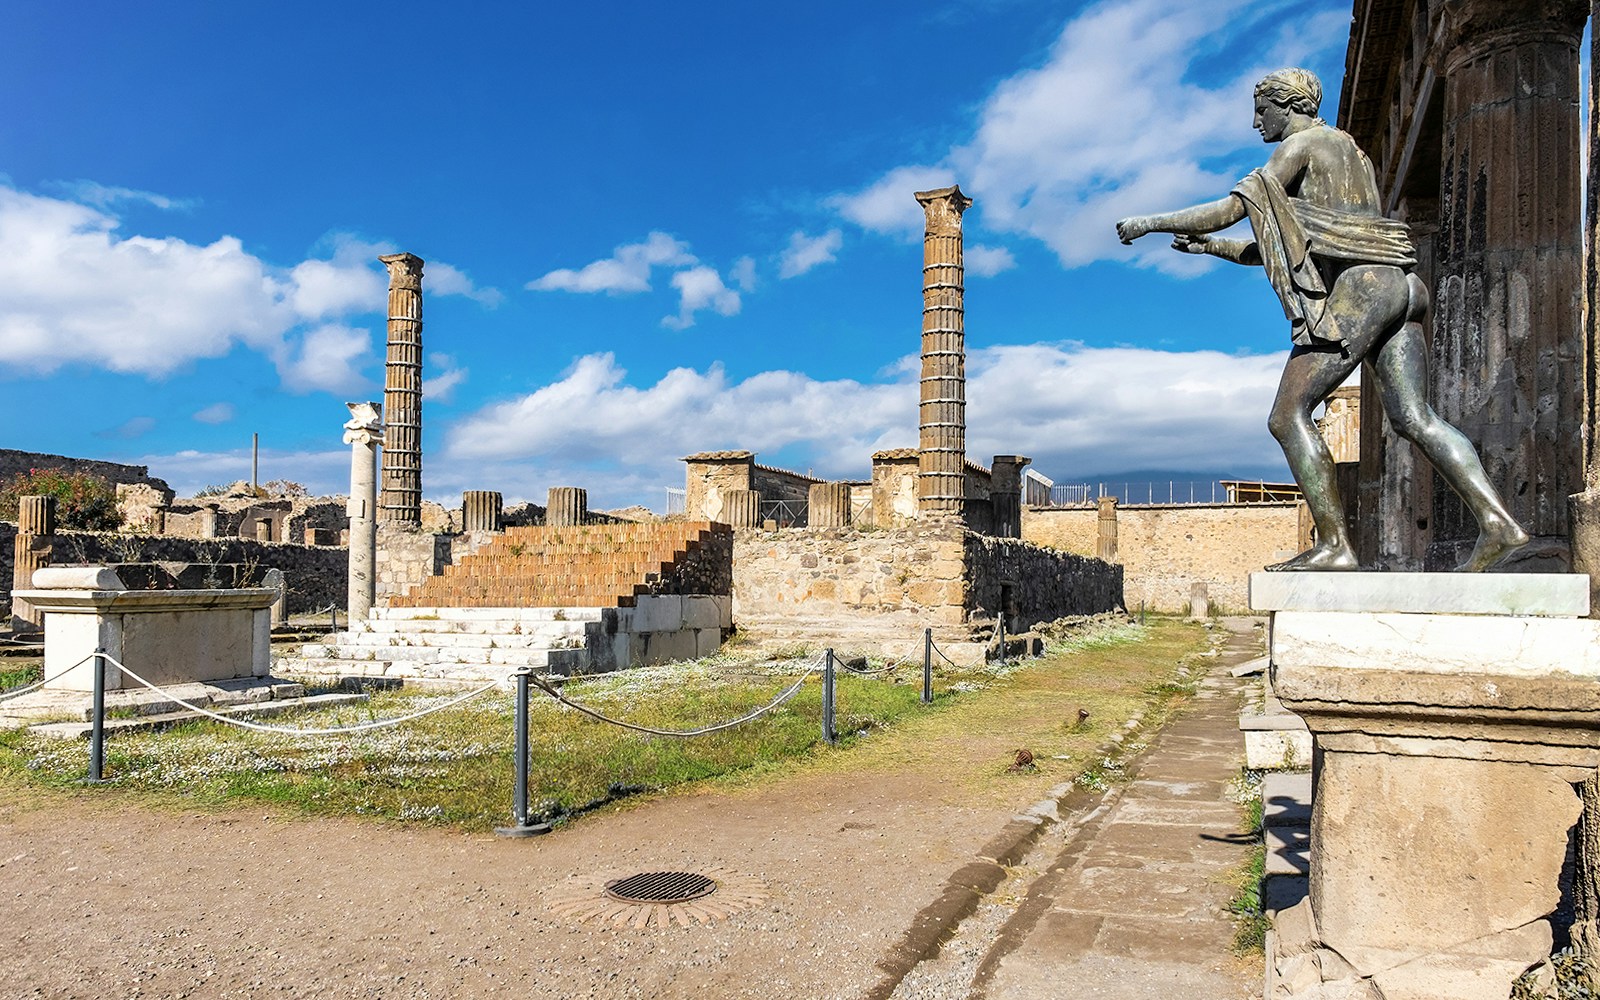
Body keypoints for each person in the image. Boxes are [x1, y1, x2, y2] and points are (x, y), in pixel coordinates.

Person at [1114, 68, 1527, 572]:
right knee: (1414, 418)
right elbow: (1297, 242)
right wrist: (1212, 250)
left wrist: (1148, 222)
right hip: (1402, 284)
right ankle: (1498, 522)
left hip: (1361, 292)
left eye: (1261, 109)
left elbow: (1229, 210)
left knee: (1286, 415)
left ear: (1287, 105)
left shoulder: (1300, 146)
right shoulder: (1353, 153)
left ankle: (1335, 546)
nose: (1255, 122)